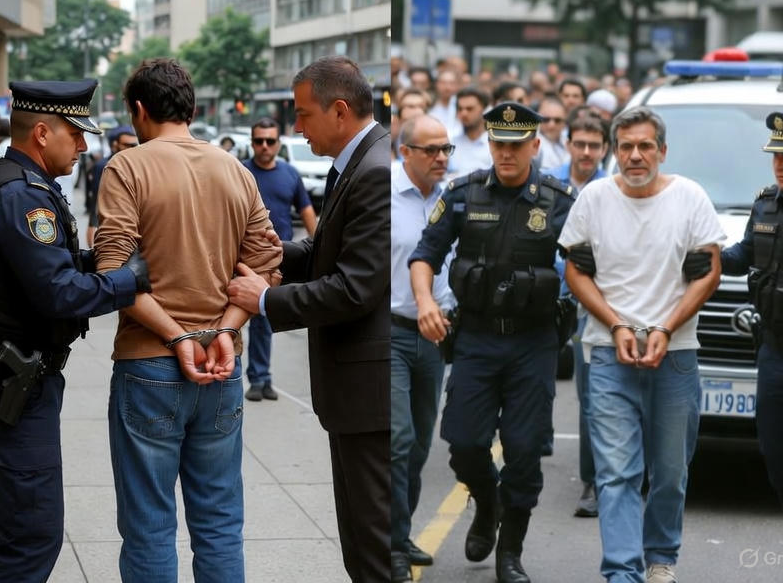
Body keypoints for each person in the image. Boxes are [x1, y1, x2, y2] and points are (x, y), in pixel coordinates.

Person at [0, 78, 153, 583]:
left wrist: (97, 261)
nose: (83, 145)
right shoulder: (23, 197)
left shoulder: (19, 185)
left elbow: (45, 267)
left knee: (8, 522)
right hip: (12, 380)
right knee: (32, 534)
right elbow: (58, 292)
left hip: (12, 375)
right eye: (76, 133)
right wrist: (128, 280)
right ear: (43, 134)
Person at [95, 58, 281, 582]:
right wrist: (226, 328)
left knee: (149, 527)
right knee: (220, 523)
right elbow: (266, 266)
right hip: (222, 367)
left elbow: (112, 272)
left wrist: (177, 335)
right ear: (192, 110)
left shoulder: (127, 167)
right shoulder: (235, 170)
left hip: (149, 363)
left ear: (138, 110)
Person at [228, 56, 390, 582]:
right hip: (355, 395)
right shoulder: (359, 161)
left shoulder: (376, 170)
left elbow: (355, 287)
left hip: (370, 396)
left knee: (374, 542)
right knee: (361, 538)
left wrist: (265, 300)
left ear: (339, 110)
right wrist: (278, 254)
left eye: (302, 115)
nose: (296, 128)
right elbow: (329, 252)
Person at [407, 102, 576, 583]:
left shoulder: (559, 201)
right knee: (464, 443)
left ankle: (510, 552)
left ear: (535, 146)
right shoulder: (463, 194)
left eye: (516, 145)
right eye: (499, 143)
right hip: (477, 338)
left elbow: (588, 263)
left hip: (534, 342)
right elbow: (425, 255)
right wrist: (425, 302)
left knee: (524, 450)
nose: (506, 152)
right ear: (489, 143)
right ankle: (487, 502)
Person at [560, 107, 723, 583]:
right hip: (609, 354)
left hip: (675, 356)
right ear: (614, 150)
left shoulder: (690, 197)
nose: (635, 155)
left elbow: (710, 272)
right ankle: (622, 572)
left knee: (670, 472)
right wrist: (615, 325)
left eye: (645, 146)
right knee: (616, 473)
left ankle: (661, 558)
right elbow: (575, 270)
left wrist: (666, 329)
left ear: (662, 151)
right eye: (626, 146)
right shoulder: (594, 198)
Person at [720, 112, 783, 583]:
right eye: (776, 155)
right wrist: (702, 255)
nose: (780, 164)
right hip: (774, 353)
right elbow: (742, 257)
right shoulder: (765, 206)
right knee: (777, 460)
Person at [387, 114, 454, 581]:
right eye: (431, 150)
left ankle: (402, 532)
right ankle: (390, 542)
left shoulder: (453, 198)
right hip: (390, 331)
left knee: (419, 444)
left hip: (436, 336)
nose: (441, 157)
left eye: (446, 148)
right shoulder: (383, 194)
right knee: (398, 439)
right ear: (405, 152)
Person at [546, 111, 609, 519]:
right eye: (580, 144)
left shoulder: (613, 188)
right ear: (568, 144)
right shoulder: (548, 183)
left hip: (591, 304)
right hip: (545, 301)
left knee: (592, 396)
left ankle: (593, 480)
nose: (586, 152)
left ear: (604, 149)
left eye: (594, 146)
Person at [240, 116, 316, 401]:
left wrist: (321, 249)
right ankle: (235, 376)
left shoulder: (290, 174)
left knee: (263, 320)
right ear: (252, 143)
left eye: (270, 141)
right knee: (232, 321)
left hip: (277, 263)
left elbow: (306, 211)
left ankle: (261, 378)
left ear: (278, 143)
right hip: (240, 260)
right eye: (259, 141)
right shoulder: (240, 172)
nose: (264, 146)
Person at [84, 125, 137, 247]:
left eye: (134, 145)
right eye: (127, 145)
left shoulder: (137, 165)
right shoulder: (103, 166)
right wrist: (93, 227)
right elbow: (97, 201)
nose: (131, 148)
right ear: (114, 144)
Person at [448, 87, 493, 176]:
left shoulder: (494, 144)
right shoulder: (450, 142)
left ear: (484, 110)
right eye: (460, 109)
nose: (464, 113)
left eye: (469, 109)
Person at [534, 97, 569, 171]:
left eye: (557, 120)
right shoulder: (530, 143)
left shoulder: (569, 141)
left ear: (564, 122)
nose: (551, 125)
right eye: (546, 120)